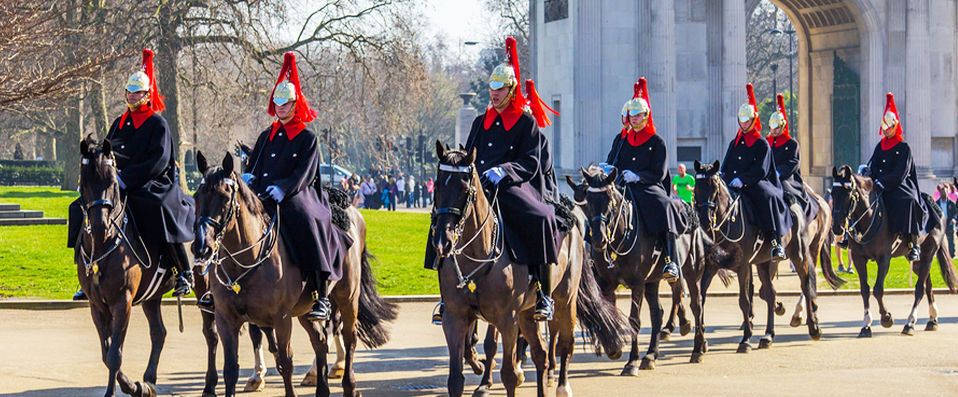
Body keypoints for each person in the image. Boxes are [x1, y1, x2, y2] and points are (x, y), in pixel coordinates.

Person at [425, 36, 560, 323]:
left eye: (500, 89)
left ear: (511, 90)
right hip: (479, 186)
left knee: (540, 219)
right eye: (492, 88)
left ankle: (544, 294)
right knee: (443, 217)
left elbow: (531, 162)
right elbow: (468, 152)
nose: (494, 94)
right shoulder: (480, 121)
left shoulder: (526, 123)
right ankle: (445, 298)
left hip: (512, 186)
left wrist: (505, 171)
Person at [223, 52, 352, 320]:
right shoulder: (266, 135)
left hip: (297, 194)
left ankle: (320, 294)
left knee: (306, 220)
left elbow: (305, 173)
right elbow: (256, 164)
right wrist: (248, 178)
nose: (281, 108)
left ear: (295, 105)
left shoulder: (307, 137)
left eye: (286, 104)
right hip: (263, 193)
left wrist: (283, 188)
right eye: (277, 103)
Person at [68, 49, 195, 301]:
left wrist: (127, 179)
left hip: (153, 181)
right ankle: (84, 270)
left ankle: (183, 271)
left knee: (158, 206)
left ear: (147, 95)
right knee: (80, 207)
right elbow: (109, 152)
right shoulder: (119, 121)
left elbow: (157, 161)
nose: (131, 95)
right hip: (119, 181)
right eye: (129, 91)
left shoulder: (158, 123)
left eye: (137, 92)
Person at [601, 78, 684, 282]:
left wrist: (638, 176)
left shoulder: (657, 141)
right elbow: (613, 161)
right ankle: (596, 256)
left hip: (647, 186)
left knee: (663, 205)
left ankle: (669, 258)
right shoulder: (623, 140)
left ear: (646, 116)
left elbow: (659, 172)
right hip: (623, 186)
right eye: (632, 115)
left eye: (638, 115)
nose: (634, 118)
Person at [721, 83, 790, 261]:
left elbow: (761, 169)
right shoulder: (734, 142)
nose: (744, 124)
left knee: (768, 197)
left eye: (747, 120)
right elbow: (726, 165)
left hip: (754, 183)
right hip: (733, 183)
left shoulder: (761, 143)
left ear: (753, 120)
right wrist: (726, 178)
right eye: (742, 120)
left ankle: (775, 241)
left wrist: (742, 180)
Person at [863, 93, 932, 261]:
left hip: (900, 184)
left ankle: (912, 244)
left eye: (888, 127)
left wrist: (882, 182)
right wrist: (870, 177)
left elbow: (901, 172)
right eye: (884, 128)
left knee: (908, 201)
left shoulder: (903, 147)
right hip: (880, 184)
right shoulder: (881, 145)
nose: (886, 130)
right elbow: (874, 165)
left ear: (894, 126)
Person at [767, 94, 819, 222]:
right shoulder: (767, 143)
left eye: (777, 127)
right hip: (768, 175)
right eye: (772, 128)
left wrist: (778, 172)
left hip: (787, 177)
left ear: (783, 126)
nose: (774, 131)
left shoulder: (792, 143)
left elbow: (794, 162)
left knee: (784, 189)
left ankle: (793, 218)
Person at [935, 184, 956, 258]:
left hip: (949, 224)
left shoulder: (952, 203)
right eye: (942, 192)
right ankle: (940, 256)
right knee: (939, 241)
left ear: (948, 193)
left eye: (945, 192)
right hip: (940, 225)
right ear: (940, 193)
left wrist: (954, 219)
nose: (944, 193)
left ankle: (952, 256)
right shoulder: (936, 204)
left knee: (951, 241)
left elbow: (955, 213)